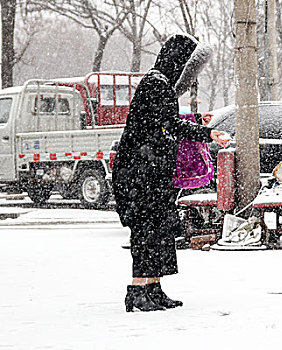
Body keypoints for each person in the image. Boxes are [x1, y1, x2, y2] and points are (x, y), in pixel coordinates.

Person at [112, 34, 230, 312]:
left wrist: (197, 122)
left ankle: (153, 287)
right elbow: (168, 125)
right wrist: (207, 133)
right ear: (179, 62)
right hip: (140, 172)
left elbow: (165, 122)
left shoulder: (160, 85)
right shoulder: (155, 84)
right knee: (146, 230)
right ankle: (137, 290)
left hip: (152, 171)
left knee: (160, 230)